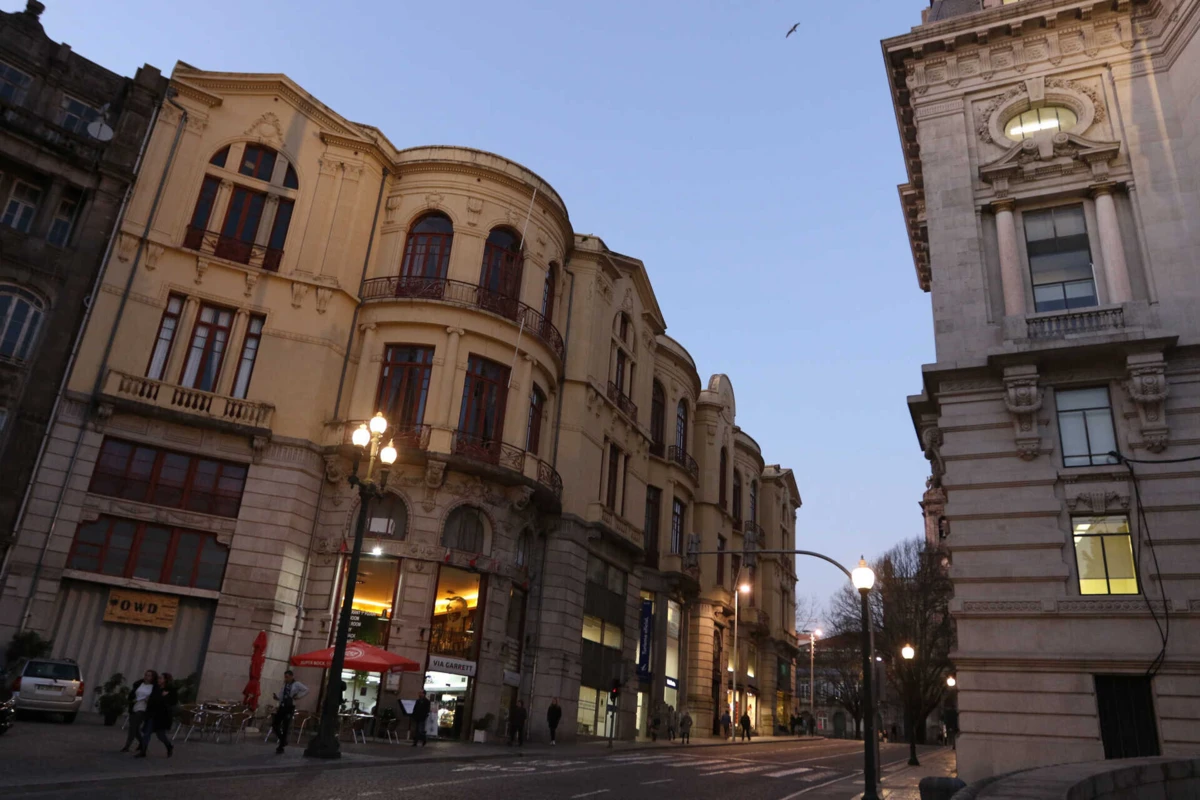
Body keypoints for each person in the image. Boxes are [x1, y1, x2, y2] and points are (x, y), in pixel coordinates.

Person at [271, 670, 309, 755]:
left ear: (291, 676)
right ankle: (283, 740)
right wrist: (277, 698)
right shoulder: (284, 684)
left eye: (287, 677)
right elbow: (282, 695)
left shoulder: (296, 684)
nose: (286, 679)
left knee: (285, 726)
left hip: (289, 707)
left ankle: (281, 746)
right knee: (275, 724)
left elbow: (306, 690)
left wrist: (298, 696)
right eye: (285, 677)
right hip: (282, 706)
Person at [139, 672, 176, 758]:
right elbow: (153, 700)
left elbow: (172, 702)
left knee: (160, 735)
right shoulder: (156, 688)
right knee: (147, 732)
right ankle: (143, 751)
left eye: (161, 678)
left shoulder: (170, 690)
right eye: (158, 678)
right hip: (152, 714)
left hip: (162, 716)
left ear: (165, 680)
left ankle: (169, 746)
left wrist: (164, 697)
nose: (159, 680)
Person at [122, 669, 157, 753]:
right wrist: (132, 699)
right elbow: (132, 694)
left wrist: (149, 700)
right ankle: (142, 743)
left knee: (133, 727)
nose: (146, 677)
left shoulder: (154, 687)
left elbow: (155, 698)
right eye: (146, 675)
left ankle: (127, 746)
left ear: (153, 677)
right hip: (135, 706)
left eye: (149, 675)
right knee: (135, 727)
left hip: (143, 708)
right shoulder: (139, 684)